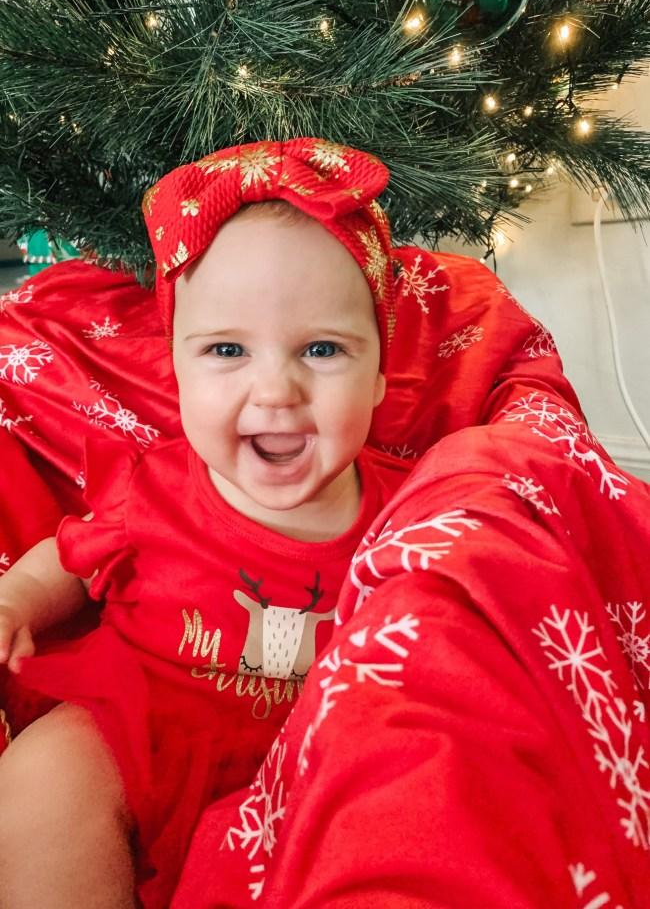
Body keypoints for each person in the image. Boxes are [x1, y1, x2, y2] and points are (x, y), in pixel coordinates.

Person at [0, 139, 415, 909]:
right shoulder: (152, 488)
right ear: (178, 371)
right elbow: (68, 556)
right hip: (141, 729)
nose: (276, 389)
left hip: (321, 757)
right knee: (40, 775)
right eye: (227, 349)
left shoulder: (415, 511)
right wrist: (17, 603)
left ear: (380, 373)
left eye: (322, 349)